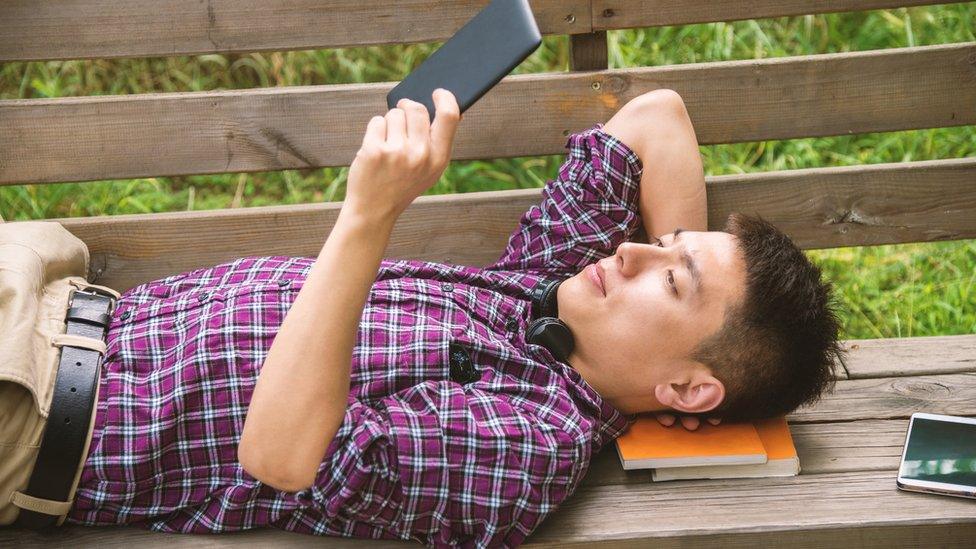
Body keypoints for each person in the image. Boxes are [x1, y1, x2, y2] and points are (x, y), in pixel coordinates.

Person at [51, 88, 841, 546]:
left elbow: (281, 455)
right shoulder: (543, 290)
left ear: (693, 388)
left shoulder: (525, 439)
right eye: (659, 242)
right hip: (59, 297)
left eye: (668, 280)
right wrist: (666, 363)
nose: (630, 253)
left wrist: (367, 216)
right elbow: (657, 120)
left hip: (43, 406)